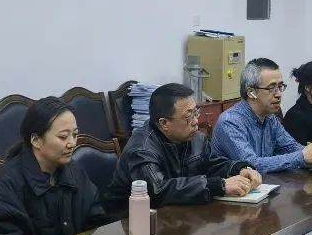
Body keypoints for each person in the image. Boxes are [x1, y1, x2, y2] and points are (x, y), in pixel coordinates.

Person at [0, 96, 109, 235]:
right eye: (63, 137)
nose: (72, 143)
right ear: (36, 140)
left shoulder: (73, 170)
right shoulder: (5, 188)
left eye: (75, 134)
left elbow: (96, 219)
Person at [106, 83, 262, 209]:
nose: (195, 121)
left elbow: (212, 164)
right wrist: (219, 185)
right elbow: (157, 191)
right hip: (127, 221)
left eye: (196, 113)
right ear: (164, 123)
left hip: (176, 213)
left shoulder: (196, 138)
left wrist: (240, 169)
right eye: (188, 116)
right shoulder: (142, 148)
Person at [212, 58, 312, 173]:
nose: (279, 94)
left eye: (280, 87)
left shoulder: (270, 118)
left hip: (267, 185)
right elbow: (251, 164)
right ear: (251, 92)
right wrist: (302, 157)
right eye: (271, 88)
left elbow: (290, 146)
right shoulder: (230, 122)